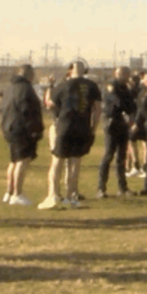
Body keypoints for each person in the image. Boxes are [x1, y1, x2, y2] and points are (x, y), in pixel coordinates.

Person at [41, 59, 102, 209]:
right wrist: (93, 128)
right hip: (82, 127)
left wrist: (49, 87)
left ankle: (53, 195)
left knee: (57, 162)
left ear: (70, 70)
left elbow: (50, 104)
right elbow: (97, 109)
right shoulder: (92, 86)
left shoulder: (63, 85)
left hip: (64, 126)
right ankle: (71, 196)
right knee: (75, 163)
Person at [1, 64, 45, 206]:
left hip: (9, 127)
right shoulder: (26, 89)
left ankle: (9, 192)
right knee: (22, 160)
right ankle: (17, 194)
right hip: (22, 129)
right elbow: (29, 111)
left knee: (13, 160)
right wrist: (36, 129)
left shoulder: (11, 88)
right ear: (30, 75)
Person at [98, 66, 135, 198]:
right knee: (108, 155)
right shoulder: (111, 86)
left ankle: (122, 188)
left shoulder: (125, 88)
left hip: (122, 123)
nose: (125, 76)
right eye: (122, 74)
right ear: (116, 74)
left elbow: (132, 106)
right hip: (111, 123)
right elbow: (118, 102)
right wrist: (128, 105)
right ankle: (101, 188)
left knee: (121, 157)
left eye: (126, 74)